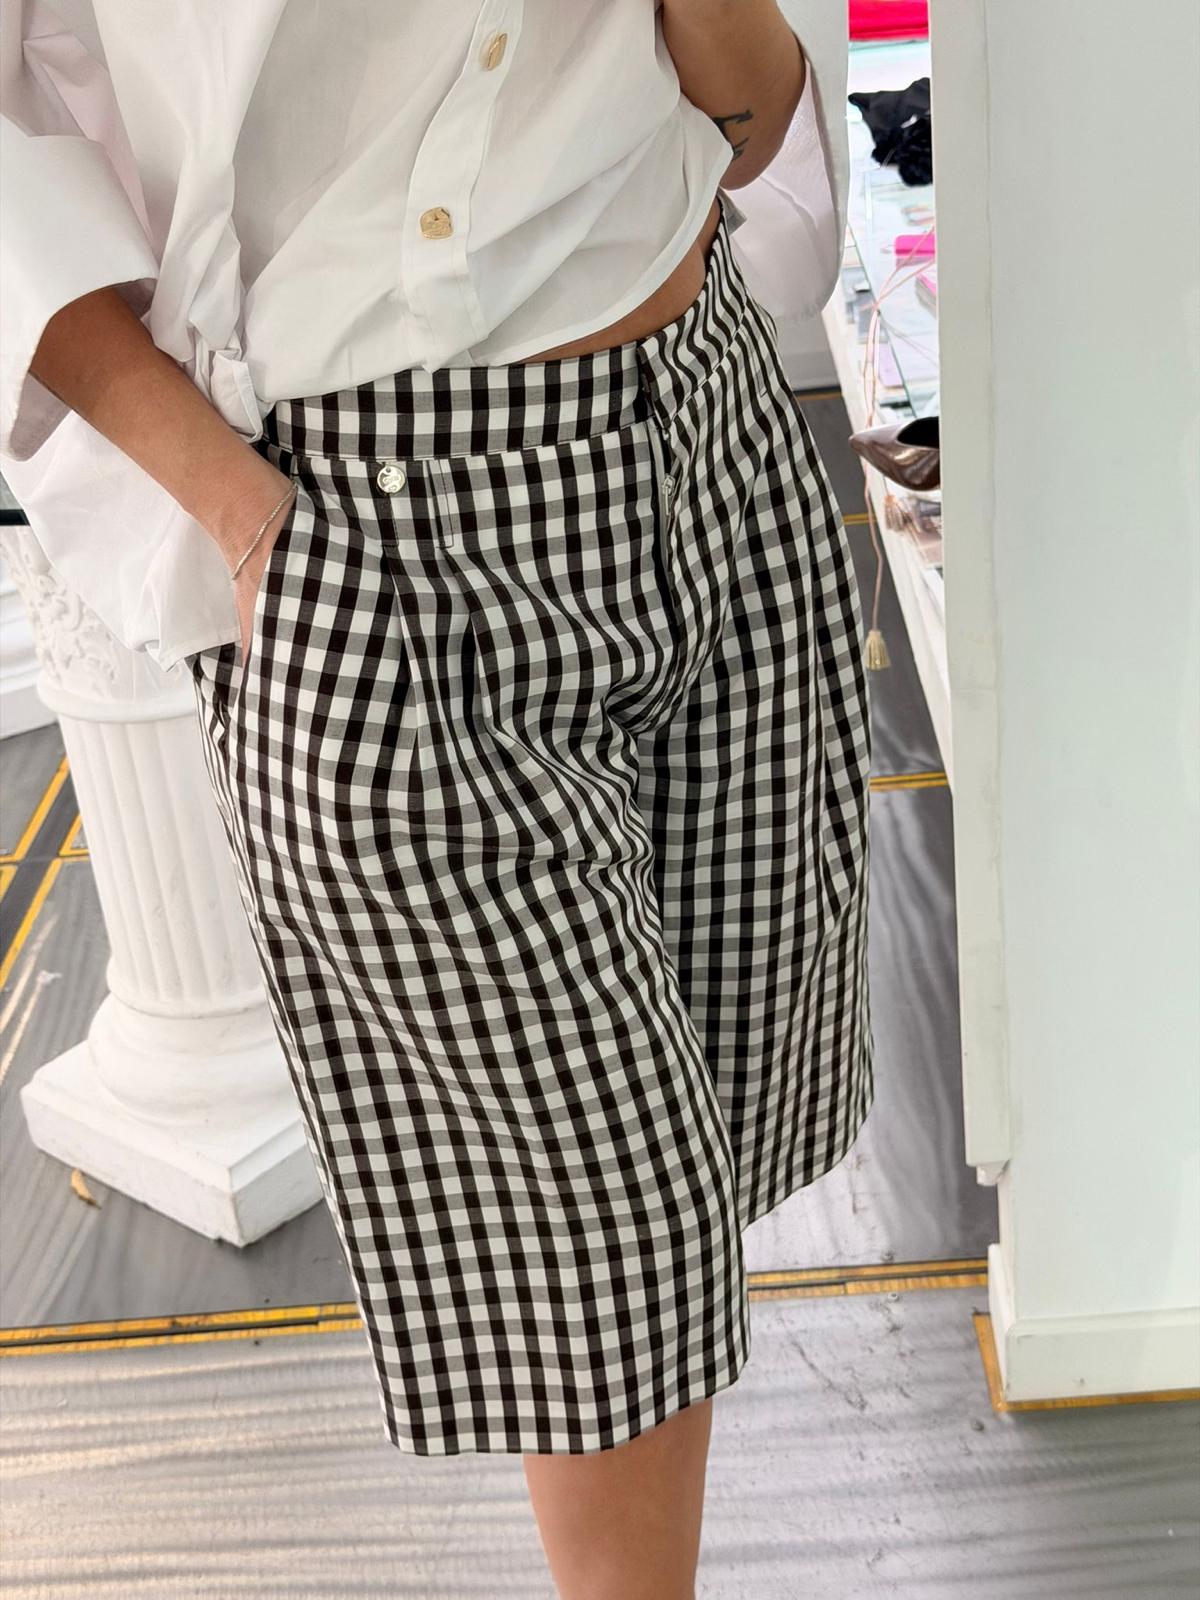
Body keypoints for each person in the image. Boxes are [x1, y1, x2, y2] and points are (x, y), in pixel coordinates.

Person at [0, 4, 873, 1596]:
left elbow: (750, 104)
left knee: (723, 1106)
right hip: (376, 531)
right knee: (611, 1227)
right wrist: (237, 510)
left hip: (712, 428)